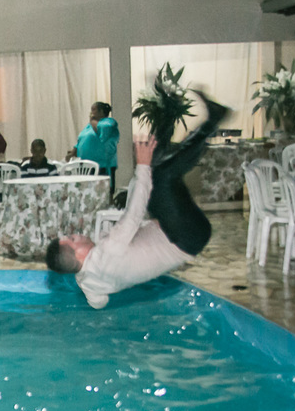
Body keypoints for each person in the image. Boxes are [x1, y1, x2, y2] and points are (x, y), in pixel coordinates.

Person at [46, 91, 229, 309]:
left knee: (153, 175)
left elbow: (98, 303)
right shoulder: (107, 251)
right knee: (162, 176)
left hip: (171, 231)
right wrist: (141, 166)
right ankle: (213, 120)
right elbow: (133, 215)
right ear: (79, 253)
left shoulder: (86, 280)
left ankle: (170, 112)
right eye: (73, 238)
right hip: (188, 235)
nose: (77, 233)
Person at [68, 101, 120, 192]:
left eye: (94, 109)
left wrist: (92, 121)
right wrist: (73, 151)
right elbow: (81, 139)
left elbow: (102, 132)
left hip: (103, 165)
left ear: (101, 111)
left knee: (104, 192)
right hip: (87, 165)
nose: (91, 112)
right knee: (89, 191)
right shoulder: (89, 126)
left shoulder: (110, 122)